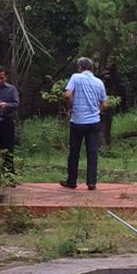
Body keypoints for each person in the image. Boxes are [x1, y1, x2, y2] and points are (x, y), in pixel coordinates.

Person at [61, 58, 107, 190]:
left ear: (80, 67)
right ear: (91, 68)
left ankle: (72, 181)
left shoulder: (75, 77)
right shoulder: (99, 82)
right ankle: (91, 182)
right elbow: (104, 104)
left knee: (74, 152)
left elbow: (68, 94)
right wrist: (97, 111)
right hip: (93, 122)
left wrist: (70, 108)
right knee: (92, 153)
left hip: (77, 121)